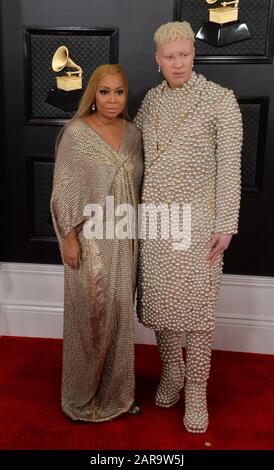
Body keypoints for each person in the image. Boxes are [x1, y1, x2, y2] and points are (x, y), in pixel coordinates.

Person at [134, 21, 242, 433]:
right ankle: (171, 372)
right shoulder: (150, 102)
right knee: (161, 307)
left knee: (197, 314)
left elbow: (230, 169)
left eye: (185, 55)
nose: (178, 63)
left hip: (199, 224)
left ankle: (196, 390)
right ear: (157, 59)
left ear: (193, 56)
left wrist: (225, 224)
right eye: (170, 56)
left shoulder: (219, 101)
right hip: (157, 223)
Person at [50, 64, 143, 422]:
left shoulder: (134, 134)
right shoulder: (77, 133)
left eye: (119, 91)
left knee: (119, 314)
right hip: (89, 240)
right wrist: (69, 238)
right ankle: (81, 397)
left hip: (124, 239)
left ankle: (117, 396)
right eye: (104, 92)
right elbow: (64, 190)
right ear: (93, 94)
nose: (112, 99)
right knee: (90, 317)